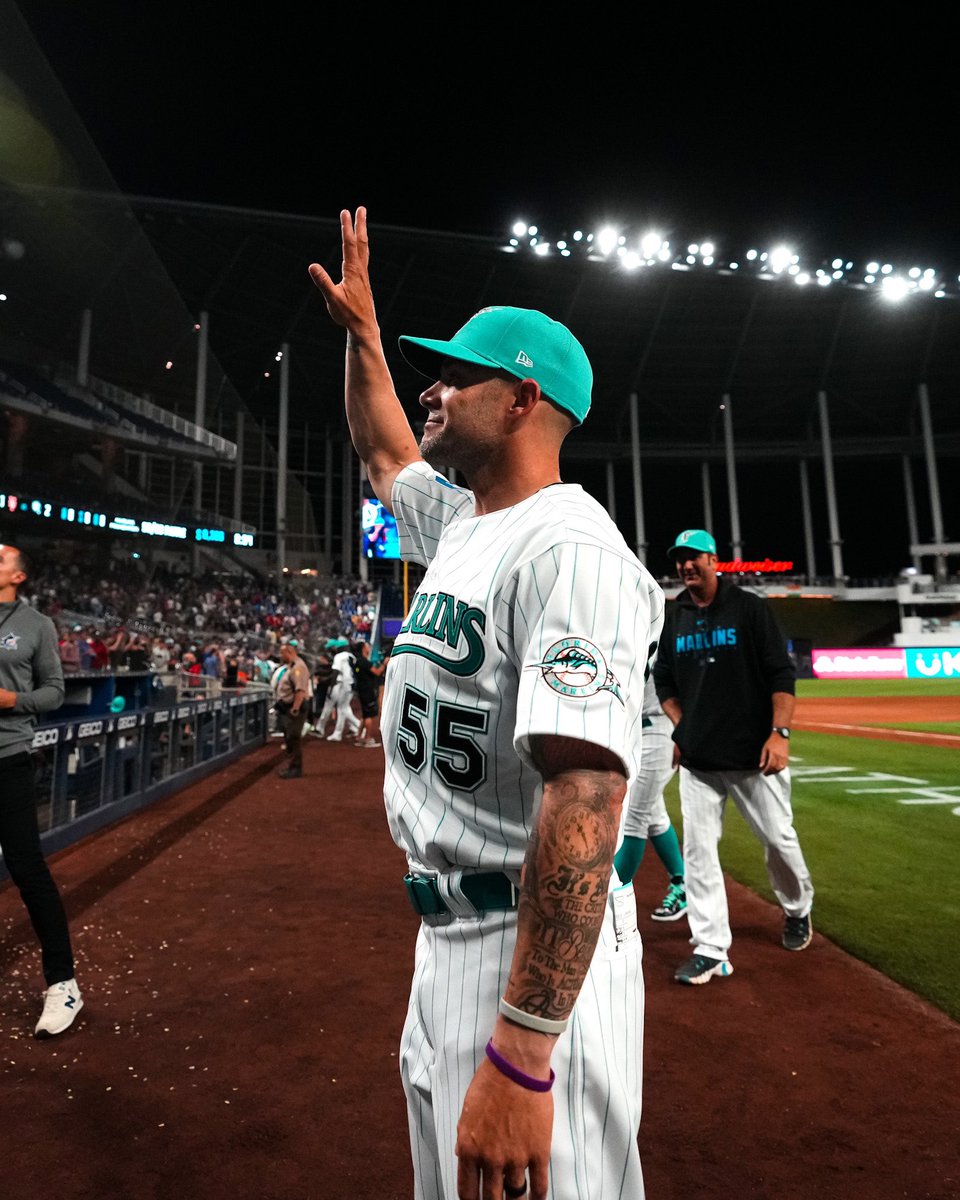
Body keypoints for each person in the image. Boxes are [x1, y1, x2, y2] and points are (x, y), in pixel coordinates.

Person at [309, 208, 664, 1200]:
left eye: (459, 373)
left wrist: (524, 1052)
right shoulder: (468, 522)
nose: (437, 384)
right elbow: (383, 454)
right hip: (448, 942)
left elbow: (587, 793)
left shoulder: (569, 549)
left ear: (521, 400)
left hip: (533, 969)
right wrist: (365, 341)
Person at [653, 528, 815, 987]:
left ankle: (798, 908)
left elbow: (781, 673)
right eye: (680, 559)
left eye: (694, 557)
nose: (686, 565)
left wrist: (779, 733)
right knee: (698, 854)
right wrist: (682, 725)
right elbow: (664, 679)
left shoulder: (749, 608)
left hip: (752, 758)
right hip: (699, 763)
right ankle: (710, 948)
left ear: (713, 560)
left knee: (779, 843)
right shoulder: (676, 616)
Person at [0, 542, 84, 1037]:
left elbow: (55, 691)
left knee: (27, 869)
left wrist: (14, 699)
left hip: (8, 757)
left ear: (19, 577)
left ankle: (63, 984)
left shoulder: (35, 625)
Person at [613, 673, 687, 921]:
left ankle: (612, 901)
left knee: (635, 816)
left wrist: (683, 731)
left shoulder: (668, 634)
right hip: (634, 729)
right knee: (654, 814)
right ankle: (682, 882)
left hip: (660, 728)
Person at [273, 641, 310, 778]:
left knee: (293, 738)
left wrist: (295, 708)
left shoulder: (298, 667)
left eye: (282, 653)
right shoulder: (291, 666)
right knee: (289, 738)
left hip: (294, 708)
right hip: (287, 707)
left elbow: (300, 690)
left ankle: (295, 768)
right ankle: (292, 766)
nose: (280, 655)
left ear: (290, 652)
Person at [351, 640, 388, 748]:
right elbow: (377, 672)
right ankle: (368, 738)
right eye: (367, 646)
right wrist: (384, 664)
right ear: (363, 649)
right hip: (368, 691)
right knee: (370, 715)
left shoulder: (358, 661)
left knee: (364, 714)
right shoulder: (364, 662)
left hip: (362, 690)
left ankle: (359, 737)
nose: (369, 648)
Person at [323, 640, 361, 743]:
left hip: (345, 684)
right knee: (344, 707)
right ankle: (354, 728)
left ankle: (356, 726)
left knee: (341, 708)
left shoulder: (339, 656)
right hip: (352, 684)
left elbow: (335, 672)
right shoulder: (352, 656)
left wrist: (331, 687)